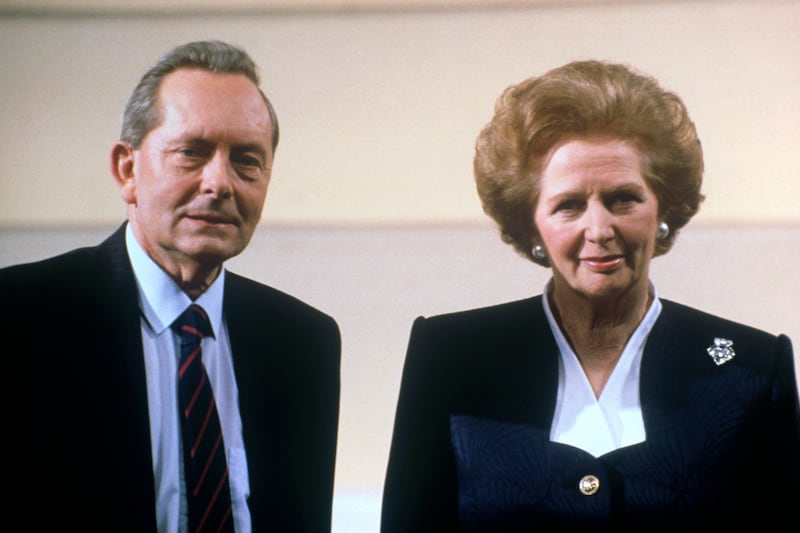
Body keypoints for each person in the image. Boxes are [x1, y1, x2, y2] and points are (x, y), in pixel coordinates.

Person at [381, 60, 800, 532]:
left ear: (664, 209)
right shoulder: (450, 356)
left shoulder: (753, 371)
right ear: (531, 225)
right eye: (569, 205)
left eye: (623, 199)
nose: (599, 230)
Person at [2, 40, 341, 532]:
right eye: (192, 153)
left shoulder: (304, 341)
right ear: (127, 170)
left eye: (246, 159)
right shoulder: (21, 319)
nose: (219, 183)